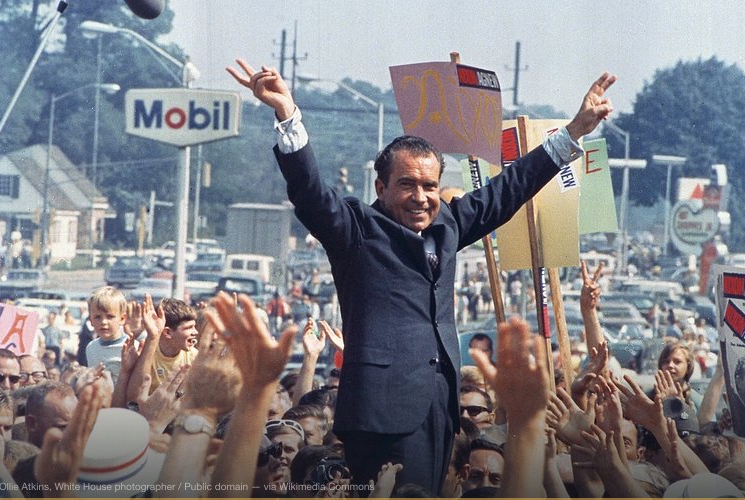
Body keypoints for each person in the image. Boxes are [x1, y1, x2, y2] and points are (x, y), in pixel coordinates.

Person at [228, 58, 615, 494]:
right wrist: (287, 114)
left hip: (439, 406)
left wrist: (574, 132)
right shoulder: (356, 230)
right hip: (380, 411)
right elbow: (311, 192)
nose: (421, 197)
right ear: (382, 188)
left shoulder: (448, 225)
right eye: (408, 185)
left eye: (430, 186)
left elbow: (508, 190)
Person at [84, 286, 129, 382]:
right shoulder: (91, 348)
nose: (104, 322)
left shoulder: (131, 347)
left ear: (122, 318)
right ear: (91, 320)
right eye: (97, 317)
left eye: (110, 317)